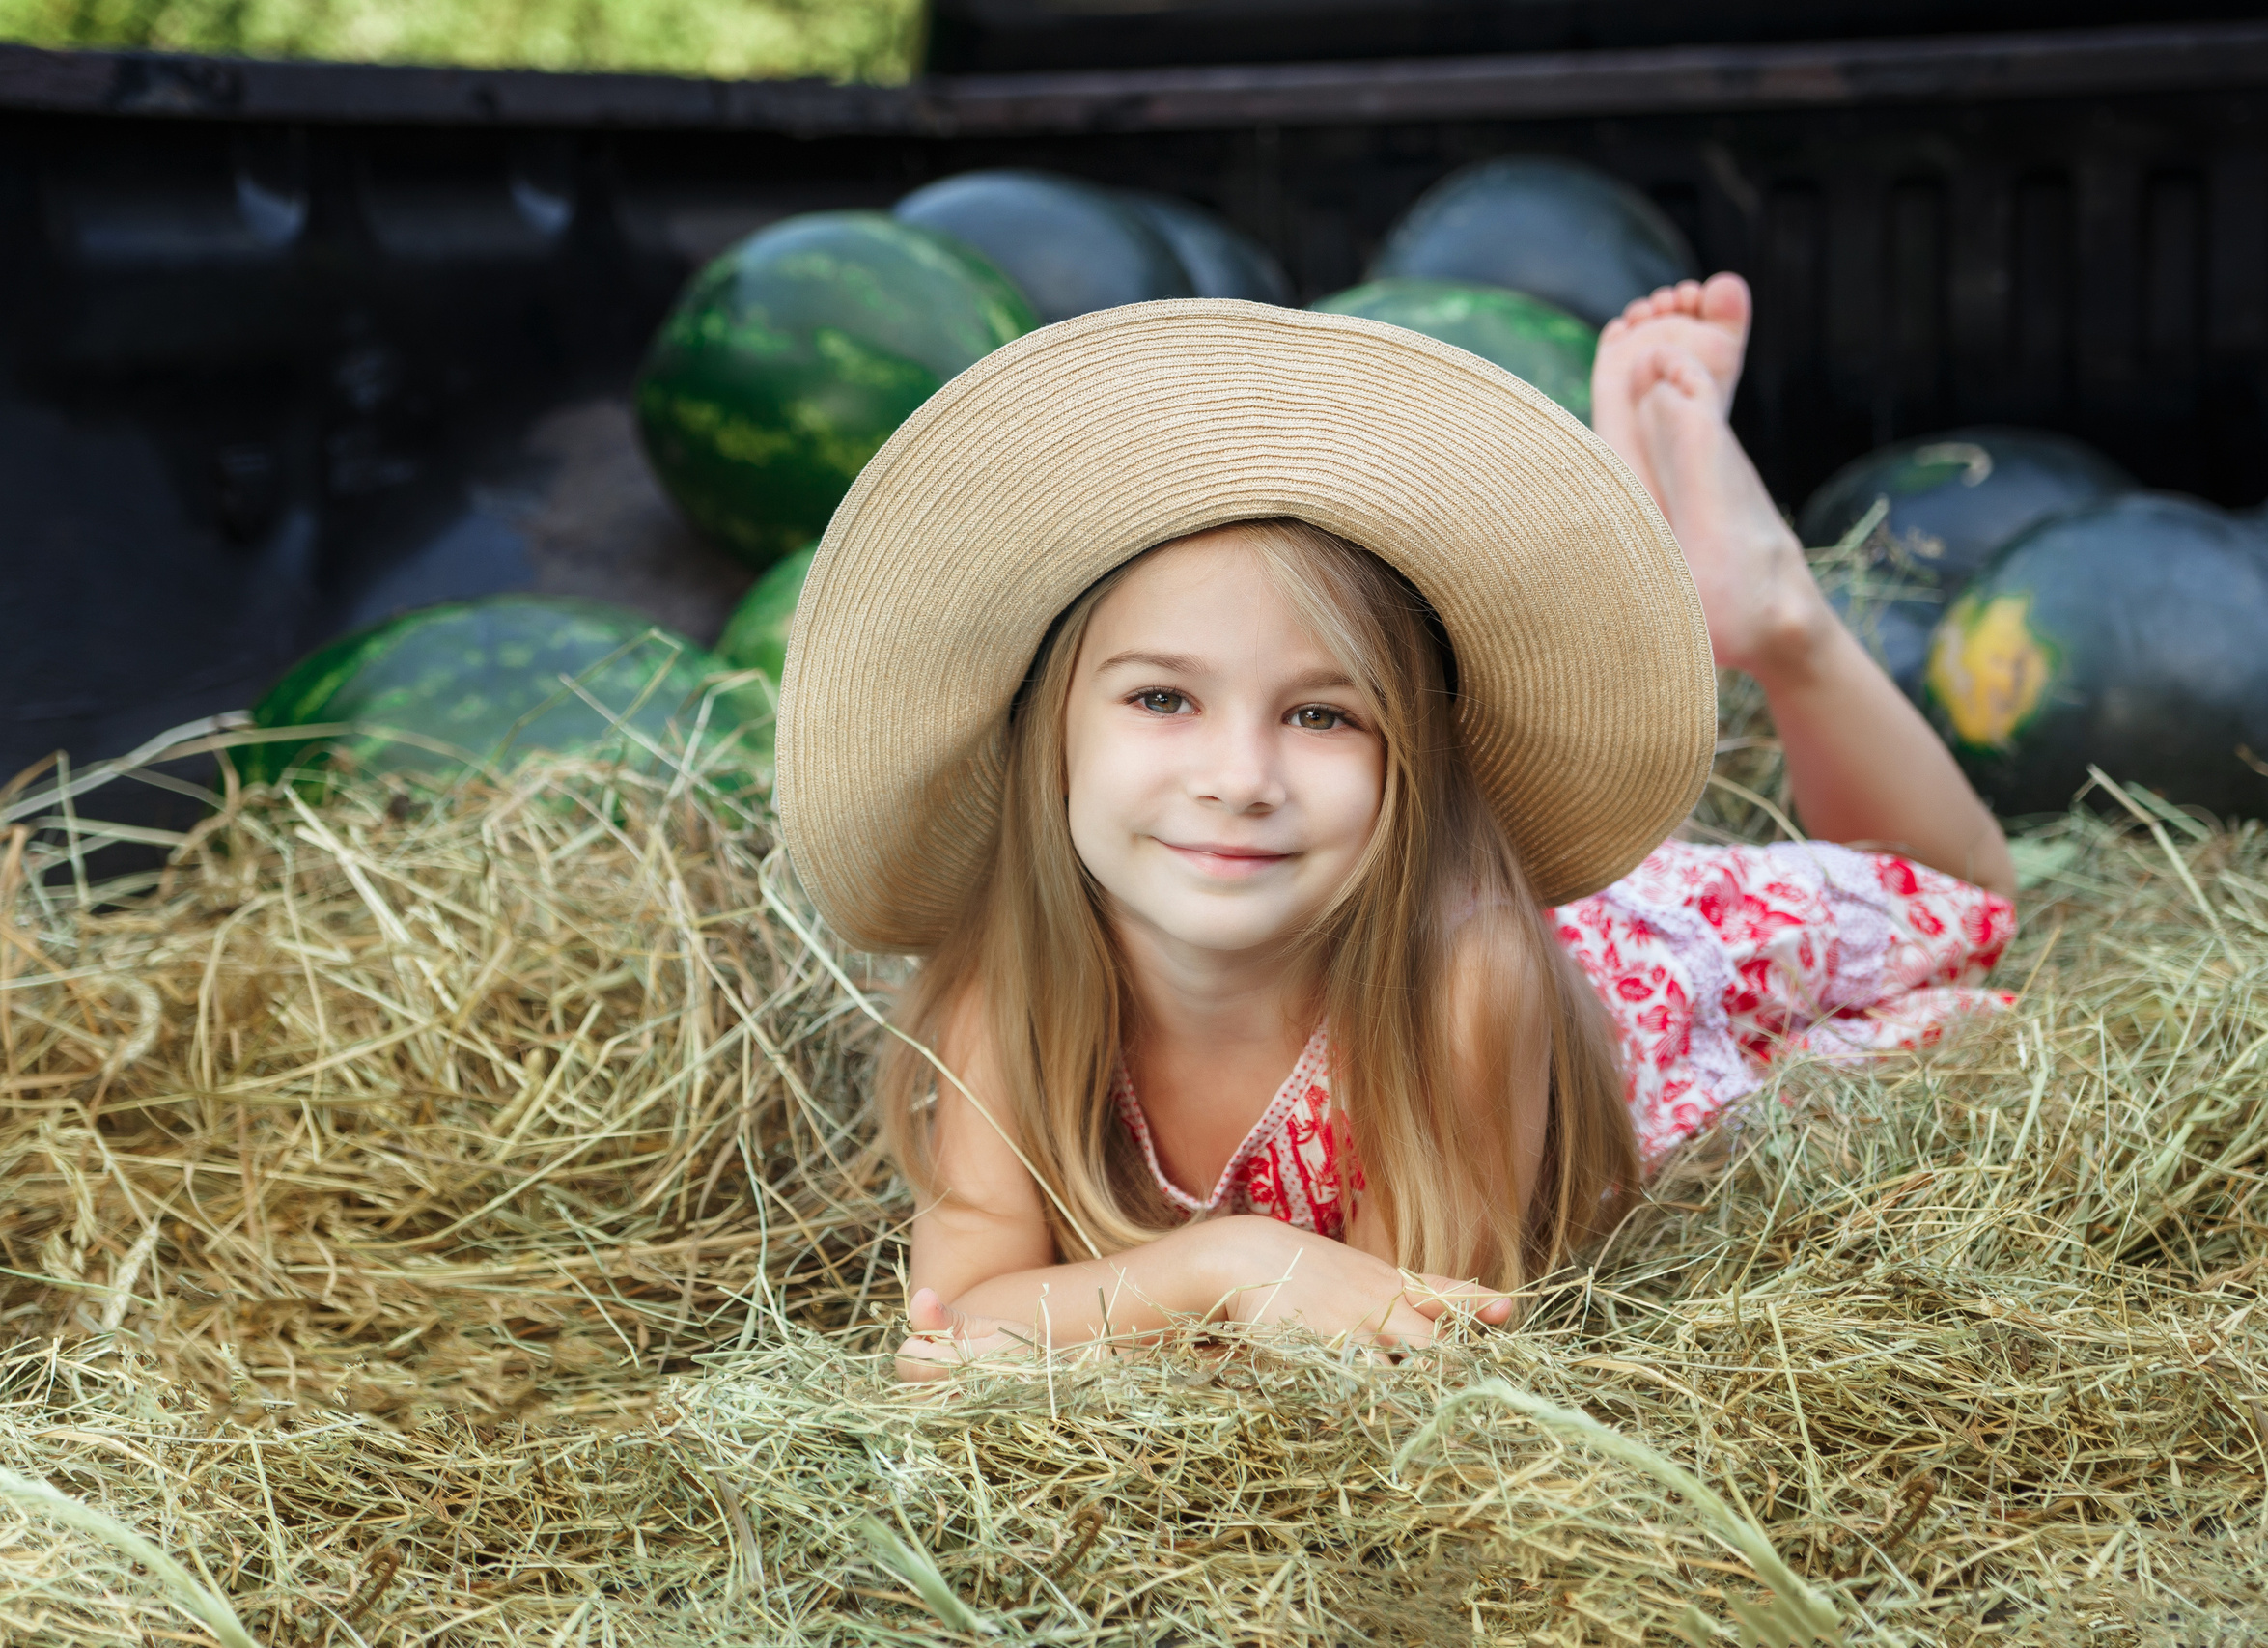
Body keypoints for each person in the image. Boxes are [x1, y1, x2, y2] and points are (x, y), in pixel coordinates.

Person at [769, 282, 2017, 1382]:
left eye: (1320, 714)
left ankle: (1770, 613)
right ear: (1050, 745)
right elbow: (951, 1327)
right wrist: (1227, 1266)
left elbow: (1413, 1358)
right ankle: (1656, 552)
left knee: (1958, 906)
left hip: (1631, 979)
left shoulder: (1466, 989)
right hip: (1446, 909)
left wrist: (1097, 1312)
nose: (1240, 776)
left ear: (1409, 760)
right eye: (1162, 698)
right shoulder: (1015, 992)